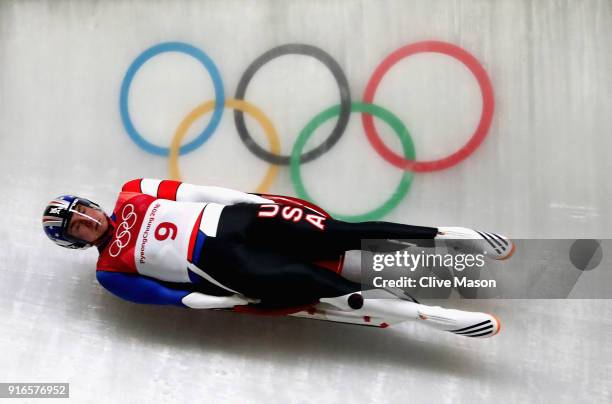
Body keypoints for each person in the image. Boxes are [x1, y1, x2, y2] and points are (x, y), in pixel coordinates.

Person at [42, 178, 514, 338]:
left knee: (340, 233)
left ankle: (453, 235)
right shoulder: (109, 271)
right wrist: (227, 302)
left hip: (242, 220)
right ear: (75, 240)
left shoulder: (135, 191)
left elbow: (202, 191)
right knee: (318, 283)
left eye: (83, 210)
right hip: (228, 268)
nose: (87, 219)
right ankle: (430, 314)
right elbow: (172, 299)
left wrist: (251, 199)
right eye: (78, 225)